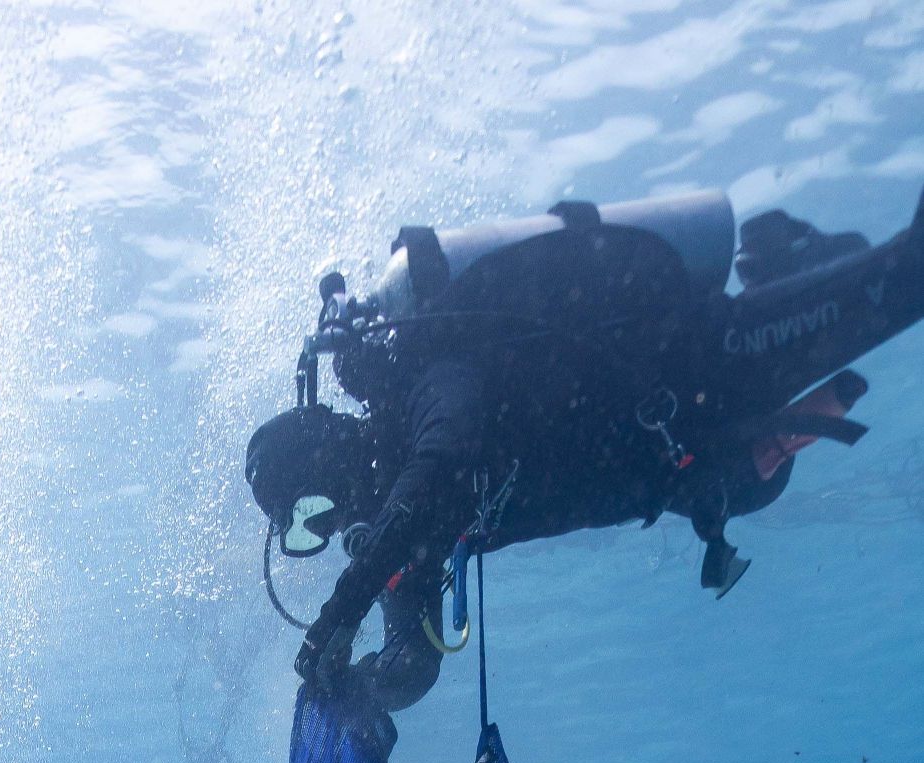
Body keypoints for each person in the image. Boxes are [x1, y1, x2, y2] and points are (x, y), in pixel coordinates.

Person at [246, 187, 924, 712]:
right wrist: (356, 696)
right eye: (306, 534)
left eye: (310, 511)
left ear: (325, 458)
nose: (330, 529)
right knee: (764, 458)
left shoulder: (431, 386)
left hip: (699, 364)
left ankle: (798, 266)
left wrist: (341, 611)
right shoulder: (411, 535)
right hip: (698, 464)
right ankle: (792, 265)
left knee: (904, 277)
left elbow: (443, 465)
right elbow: (413, 663)